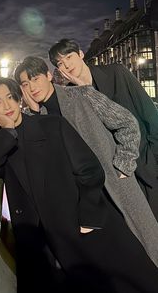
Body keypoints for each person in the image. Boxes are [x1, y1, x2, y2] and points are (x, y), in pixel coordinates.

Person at [0, 77, 158, 293]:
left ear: (18, 99)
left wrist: (89, 218)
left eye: (10, 98)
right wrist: (8, 132)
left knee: (128, 282)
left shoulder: (53, 125)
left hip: (86, 226)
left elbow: (89, 169)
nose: (7, 106)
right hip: (44, 246)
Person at [14, 56, 158, 268]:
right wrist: (35, 115)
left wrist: (123, 164)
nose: (32, 87)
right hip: (83, 202)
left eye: (35, 79)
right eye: (25, 84)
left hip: (114, 185)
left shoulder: (82, 94)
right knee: (118, 261)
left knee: (147, 244)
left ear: (48, 76)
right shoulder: (36, 118)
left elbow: (127, 123)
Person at [48, 38, 158, 213]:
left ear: (81, 54)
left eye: (69, 57)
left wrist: (153, 160)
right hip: (114, 178)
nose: (67, 65)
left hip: (145, 164)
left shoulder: (117, 72)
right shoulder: (70, 96)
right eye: (60, 63)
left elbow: (149, 114)